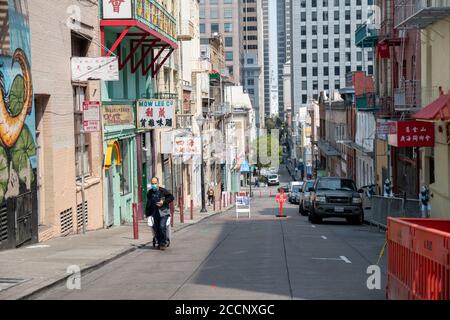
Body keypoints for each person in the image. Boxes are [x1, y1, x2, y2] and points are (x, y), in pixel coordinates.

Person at [145, 177, 174, 250]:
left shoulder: (163, 191)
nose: (153, 185)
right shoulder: (150, 192)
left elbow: (171, 197)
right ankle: (159, 241)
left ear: (158, 183)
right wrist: (147, 213)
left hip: (164, 212)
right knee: (156, 228)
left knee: (162, 226)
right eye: (152, 183)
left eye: (155, 183)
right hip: (155, 213)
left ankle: (163, 243)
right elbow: (148, 203)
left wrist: (163, 202)